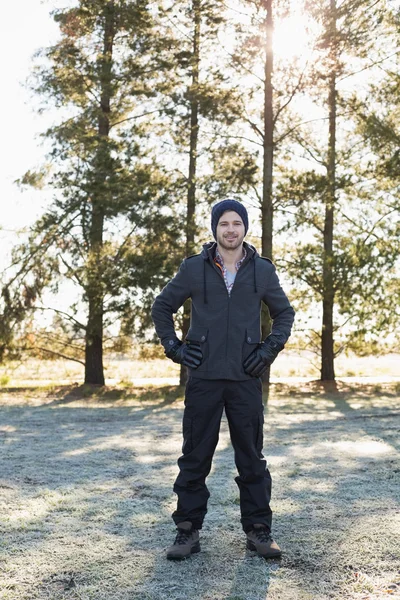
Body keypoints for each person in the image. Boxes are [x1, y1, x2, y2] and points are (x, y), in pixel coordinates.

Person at [151, 198, 295, 560]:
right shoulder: (193, 268)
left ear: (245, 228)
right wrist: (176, 348)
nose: (230, 230)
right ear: (214, 228)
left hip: (246, 378)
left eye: (236, 223)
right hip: (204, 378)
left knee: (251, 458)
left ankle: (259, 531)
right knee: (195, 456)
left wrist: (266, 353)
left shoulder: (262, 270)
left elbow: (285, 314)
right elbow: (162, 306)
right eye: (224, 224)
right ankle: (187, 532)